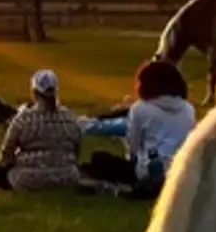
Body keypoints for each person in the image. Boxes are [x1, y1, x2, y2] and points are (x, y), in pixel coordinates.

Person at [82, 59, 197, 196]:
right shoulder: (189, 109)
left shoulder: (140, 109)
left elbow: (133, 148)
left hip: (148, 172)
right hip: (180, 171)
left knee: (98, 158)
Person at [0, 69, 86, 191]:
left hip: (27, 179)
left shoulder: (24, 118)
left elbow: (6, 154)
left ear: (34, 93)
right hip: (68, 178)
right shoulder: (70, 117)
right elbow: (77, 151)